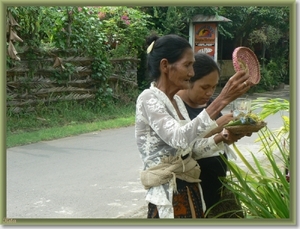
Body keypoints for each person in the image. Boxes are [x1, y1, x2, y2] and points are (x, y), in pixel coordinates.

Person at [135, 34, 252, 218]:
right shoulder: (148, 98)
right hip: (168, 198)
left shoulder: (177, 102)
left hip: (191, 193)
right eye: (187, 65)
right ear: (165, 65)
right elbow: (179, 138)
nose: (191, 73)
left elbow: (190, 149)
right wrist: (221, 100)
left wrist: (222, 137)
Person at [177, 52, 246, 218]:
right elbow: (186, 150)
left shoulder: (208, 104)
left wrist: (232, 133)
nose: (210, 93)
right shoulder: (175, 108)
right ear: (188, 82)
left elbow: (218, 140)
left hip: (219, 186)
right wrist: (218, 130)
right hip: (192, 191)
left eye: (214, 87)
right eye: (204, 87)